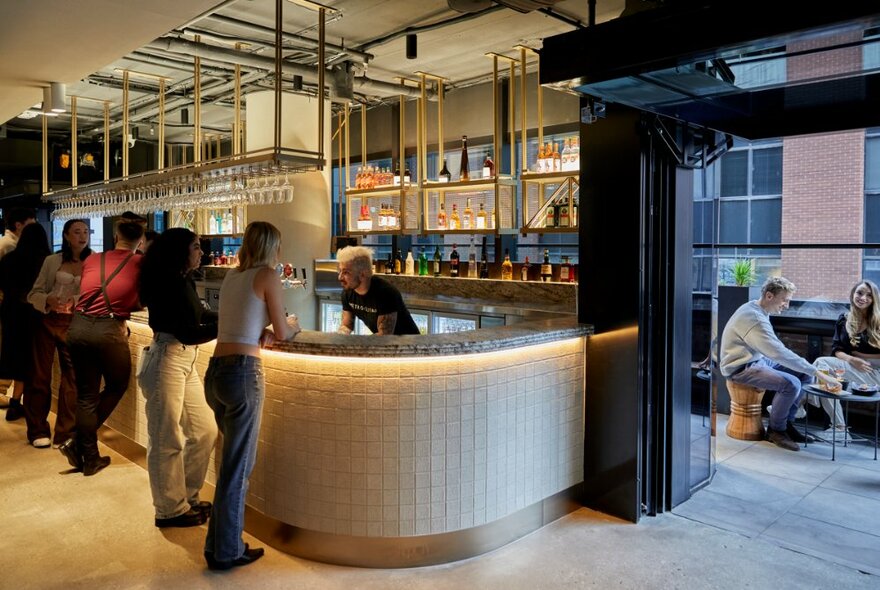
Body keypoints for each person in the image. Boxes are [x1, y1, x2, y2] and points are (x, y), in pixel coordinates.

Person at [203, 221, 300, 570]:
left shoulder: (233, 275)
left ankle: (216, 545)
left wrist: (265, 330)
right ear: (272, 246)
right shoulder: (268, 276)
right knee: (238, 468)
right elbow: (286, 332)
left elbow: (243, 319)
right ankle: (227, 551)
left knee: (230, 465)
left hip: (215, 373)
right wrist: (290, 324)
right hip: (243, 373)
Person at [137, 228, 218, 528]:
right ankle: (169, 510)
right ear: (179, 251)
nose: (202, 252)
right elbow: (187, 331)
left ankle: (186, 496)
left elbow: (198, 314)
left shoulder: (182, 278)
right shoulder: (167, 281)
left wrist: (231, 318)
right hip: (167, 358)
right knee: (166, 437)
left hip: (184, 358)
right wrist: (231, 329)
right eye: (196, 247)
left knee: (205, 429)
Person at [58, 215, 144, 476]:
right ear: (140, 241)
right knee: (117, 385)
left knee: (86, 394)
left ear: (116, 237)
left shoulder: (94, 259)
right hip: (108, 330)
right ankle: (76, 442)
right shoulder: (142, 263)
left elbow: (91, 287)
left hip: (79, 326)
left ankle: (89, 456)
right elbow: (138, 301)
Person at [720, 276, 839, 452]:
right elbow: (779, 353)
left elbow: (774, 351)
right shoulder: (754, 318)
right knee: (791, 384)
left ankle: (787, 423)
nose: (787, 305)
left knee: (802, 374)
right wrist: (819, 373)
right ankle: (776, 430)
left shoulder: (757, 308)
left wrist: (810, 371)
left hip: (756, 359)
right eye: (785, 300)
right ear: (769, 296)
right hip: (740, 367)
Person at [25, 219, 91, 448]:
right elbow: (33, 293)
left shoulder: (93, 262)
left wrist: (77, 300)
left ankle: (65, 433)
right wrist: (47, 300)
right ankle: (37, 429)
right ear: (66, 235)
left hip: (75, 324)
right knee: (40, 376)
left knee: (72, 379)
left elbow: (96, 294)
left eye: (86, 231)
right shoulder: (52, 260)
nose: (82, 236)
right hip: (47, 320)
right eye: (77, 232)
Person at [810, 280, 880, 439]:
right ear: (852, 294)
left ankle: (799, 403)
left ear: (874, 299)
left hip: (875, 374)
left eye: (869, 295)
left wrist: (860, 356)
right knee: (826, 374)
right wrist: (851, 359)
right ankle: (840, 428)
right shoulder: (844, 318)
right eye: (859, 293)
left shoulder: (878, 320)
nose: (863, 297)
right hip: (854, 369)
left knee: (822, 369)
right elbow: (837, 350)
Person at [0, 222, 51, 423]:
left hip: (11, 313)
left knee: (17, 358)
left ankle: (15, 403)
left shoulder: (10, 259)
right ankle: (29, 407)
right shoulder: (46, 261)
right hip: (36, 315)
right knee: (35, 363)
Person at [336, 245, 420, 335]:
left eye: (346, 272)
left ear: (362, 274)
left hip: (409, 346)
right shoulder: (347, 293)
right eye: (339, 271)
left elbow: (383, 336)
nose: (340, 277)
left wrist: (359, 343)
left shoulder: (386, 293)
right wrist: (338, 339)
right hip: (385, 345)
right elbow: (347, 326)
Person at [0, 207, 37, 407]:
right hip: (9, 306)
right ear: (18, 225)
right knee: (7, 348)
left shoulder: (10, 245)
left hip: (9, 306)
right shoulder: (8, 246)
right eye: (30, 225)